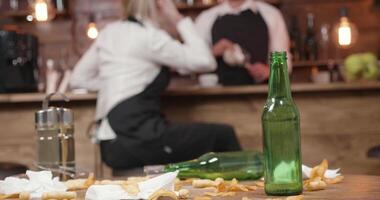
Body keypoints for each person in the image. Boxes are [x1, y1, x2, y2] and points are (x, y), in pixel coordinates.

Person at [70, 0, 241, 170]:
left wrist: (112, 85)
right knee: (222, 136)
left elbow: (78, 78)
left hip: (111, 144)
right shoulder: (150, 36)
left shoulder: (109, 32)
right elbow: (206, 61)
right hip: (135, 137)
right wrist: (175, 16)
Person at [195, 0, 292, 85]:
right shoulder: (205, 18)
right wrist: (213, 52)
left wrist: (270, 72)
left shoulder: (271, 14)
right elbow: (193, 63)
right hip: (217, 96)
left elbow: (285, 62)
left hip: (260, 94)